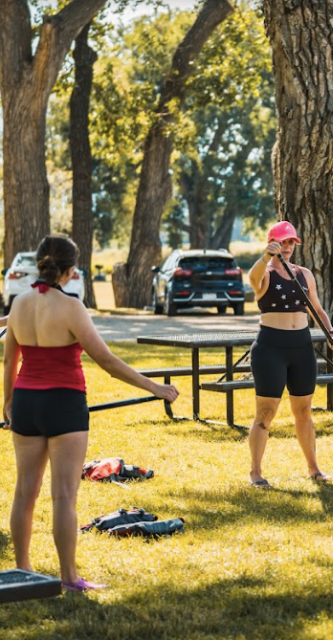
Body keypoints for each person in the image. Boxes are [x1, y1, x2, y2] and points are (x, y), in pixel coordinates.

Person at [3, 235, 179, 592]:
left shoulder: (18, 304)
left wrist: (6, 401)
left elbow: (10, 360)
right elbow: (107, 362)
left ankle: (23, 571)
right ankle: (68, 578)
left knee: (25, 492)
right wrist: (156, 388)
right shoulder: (71, 307)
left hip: (25, 401)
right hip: (63, 403)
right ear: (68, 271)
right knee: (64, 495)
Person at [247, 221, 333, 488]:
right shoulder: (264, 273)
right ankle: (256, 473)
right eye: (283, 242)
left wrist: (331, 332)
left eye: (291, 242)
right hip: (270, 348)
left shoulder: (304, 274)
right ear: (272, 243)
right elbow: (252, 280)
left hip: (301, 347)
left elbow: (317, 309)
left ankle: (314, 469)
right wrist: (266, 255)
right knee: (266, 412)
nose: (287, 247)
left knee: (304, 411)